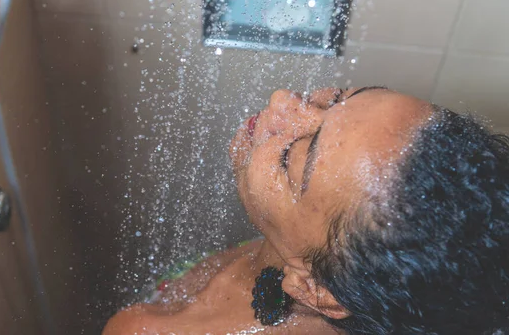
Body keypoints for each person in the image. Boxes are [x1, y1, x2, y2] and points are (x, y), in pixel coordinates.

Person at [104, 87, 509, 335]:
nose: (282, 99)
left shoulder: (141, 329)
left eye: (290, 157)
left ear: (318, 292)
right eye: (336, 99)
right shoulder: (327, 262)